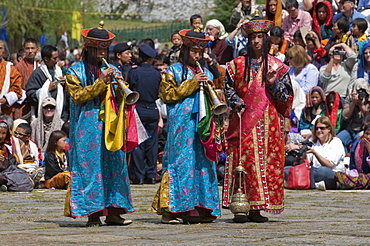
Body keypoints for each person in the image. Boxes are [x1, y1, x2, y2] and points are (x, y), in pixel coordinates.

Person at [223, 16, 293, 222]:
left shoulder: (276, 66)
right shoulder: (236, 65)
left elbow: (286, 97)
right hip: (243, 120)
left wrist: (273, 83)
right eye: (253, 37)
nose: (256, 41)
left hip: (267, 122)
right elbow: (228, 89)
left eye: (260, 37)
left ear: (266, 40)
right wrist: (236, 101)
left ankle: (257, 208)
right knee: (243, 162)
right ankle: (241, 204)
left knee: (263, 163)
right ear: (248, 40)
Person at [65, 21, 134, 227]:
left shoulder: (112, 68)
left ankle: (114, 212)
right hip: (87, 127)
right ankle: (93, 213)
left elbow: (122, 98)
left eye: (105, 48)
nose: (102, 52)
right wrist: (101, 82)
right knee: (91, 169)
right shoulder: (74, 71)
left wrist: (120, 87)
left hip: (111, 126)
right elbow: (78, 96)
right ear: (88, 48)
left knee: (115, 167)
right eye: (98, 48)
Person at [152, 29, 221, 224]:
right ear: (184, 50)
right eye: (193, 52)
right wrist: (192, 83)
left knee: (201, 164)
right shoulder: (173, 70)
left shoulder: (206, 72)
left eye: (200, 52)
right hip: (181, 126)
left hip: (201, 125)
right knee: (180, 163)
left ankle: (200, 208)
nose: (197, 56)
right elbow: (167, 95)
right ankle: (172, 209)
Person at [128, 44, 161, 185]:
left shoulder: (134, 72)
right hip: (153, 108)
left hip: (139, 108)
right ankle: (151, 174)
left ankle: (140, 175)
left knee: (139, 142)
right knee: (152, 143)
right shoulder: (156, 72)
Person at [288, 116, 345, 191]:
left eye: (322, 128)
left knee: (322, 171)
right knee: (288, 169)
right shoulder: (312, 141)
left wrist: (315, 153)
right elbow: (307, 163)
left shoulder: (336, 142)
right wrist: (303, 152)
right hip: (313, 170)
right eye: (317, 128)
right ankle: (315, 184)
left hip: (331, 172)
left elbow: (330, 165)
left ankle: (299, 182)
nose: (319, 130)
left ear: (329, 129)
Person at [26, 45, 69, 122]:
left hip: (61, 115)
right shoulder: (37, 74)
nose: (57, 60)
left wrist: (66, 83)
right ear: (46, 59)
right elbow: (30, 95)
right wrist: (46, 89)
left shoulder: (59, 71)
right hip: (43, 117)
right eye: (54, 58)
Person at [337, 79, 370, 154]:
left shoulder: (369, 100)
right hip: (351, 128)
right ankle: (343, 159)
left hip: (364, 129)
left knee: (356, 142)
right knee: (339, 140)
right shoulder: (350, 98)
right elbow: (345, 116)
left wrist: (361, 105)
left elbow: (368, 115)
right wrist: (353, 103)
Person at [0, 120, 34, 192]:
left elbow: (12, 165)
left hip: (6, 174)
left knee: (20, 176)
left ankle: (6, 185)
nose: (1, 136)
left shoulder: (4, 148)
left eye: (3, 133)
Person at [14, 38, 39, 120]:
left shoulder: (40, 65)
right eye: (27, 48)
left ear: (37, 49)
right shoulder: (19, 67)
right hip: (23, 105)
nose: (30, 51)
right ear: (24, 50)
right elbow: (15, 87)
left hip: (38, 104)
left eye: (32, 48)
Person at [0, 40, 23, 116]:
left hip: (4, 112)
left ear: (3, 50)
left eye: (0, 48)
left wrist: (6, 99)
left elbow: (18, 90)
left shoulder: (10, 69)